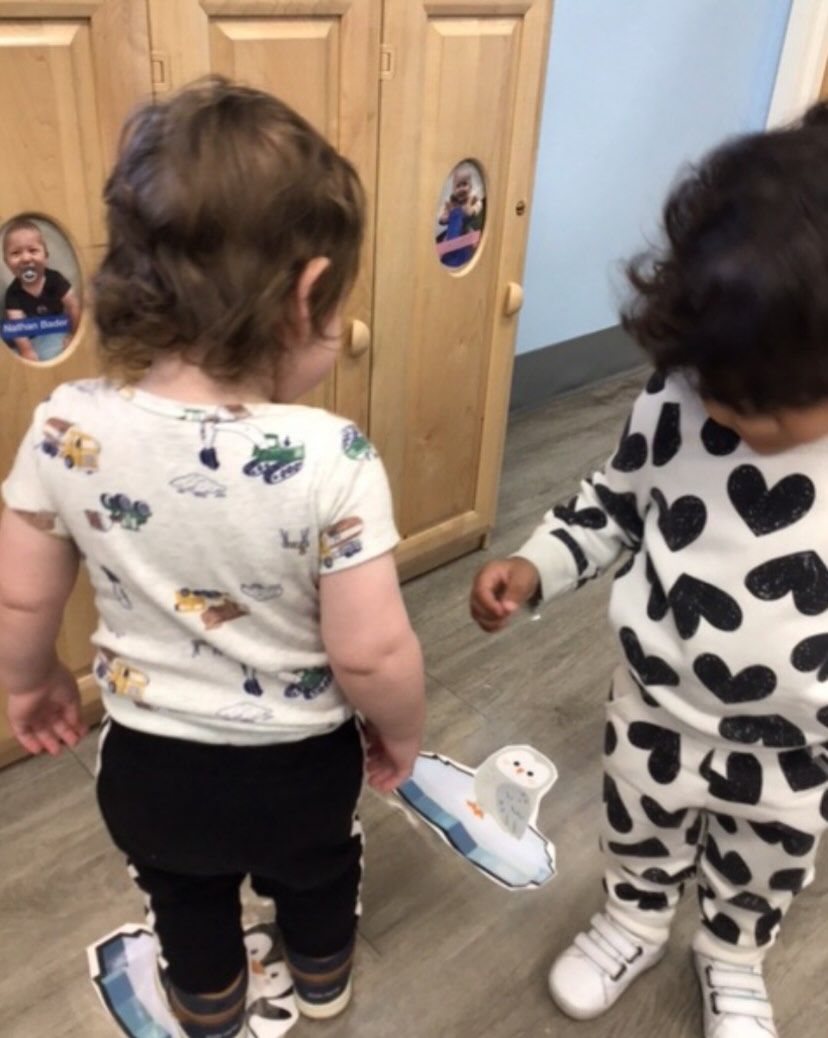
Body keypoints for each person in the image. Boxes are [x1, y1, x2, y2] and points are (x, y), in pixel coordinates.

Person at [0, 78, 426, 1038]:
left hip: (151, 772)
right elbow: (373, 655)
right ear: (311, 293)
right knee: (319, 875)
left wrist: (29, 688)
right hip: (303, 769)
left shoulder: (66, 427)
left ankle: (211, 1008)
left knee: (186, 901)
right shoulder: (334, 457)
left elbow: (21, 603)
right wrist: (400, 732)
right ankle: (323, 985)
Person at [470, 103, 828, 1038]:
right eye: (712, 380)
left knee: (765, 862)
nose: (725, 408)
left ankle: (732, 958)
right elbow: (616, 502)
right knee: (640, 826)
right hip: (658, 701)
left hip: (797, 744)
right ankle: (632, 918)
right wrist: (539, 564)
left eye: (761, 403)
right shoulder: (683, 396)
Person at [2, 217, 81, 361]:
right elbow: (17, 327)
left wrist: (74, 336)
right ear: (7, 262)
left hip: (58, 328)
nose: (26, 258)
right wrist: (27, 350)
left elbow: (73, 305)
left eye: (33, 250)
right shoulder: (12, 294)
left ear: (45, 255)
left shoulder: (55, 279)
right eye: (15, 253)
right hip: (33, 336)